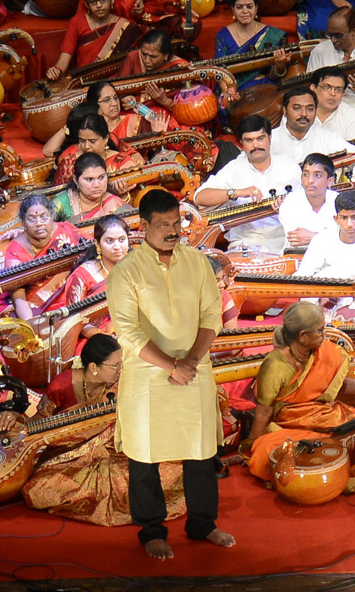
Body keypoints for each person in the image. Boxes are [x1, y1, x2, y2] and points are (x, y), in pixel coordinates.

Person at [106, 189, 233, 559]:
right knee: (144, 455)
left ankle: (202, 524)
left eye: (177, 222)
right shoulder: (127, 271)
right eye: (163, 225)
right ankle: (151, 530)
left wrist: (190, 361)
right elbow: (128, 332)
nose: (173, 230)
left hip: (194, 372)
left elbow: (212, 316)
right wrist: (171, 366)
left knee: (201, 452)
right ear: (143, 226)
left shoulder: (197, 262)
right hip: (149, 377)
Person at [20, 334, 181, 525]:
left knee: (166, 471)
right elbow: (40, 423)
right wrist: (15, 418)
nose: (121, 370)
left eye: (122, 363)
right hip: (70, 456)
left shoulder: (119, 382)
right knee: (39, 488)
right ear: (94, 367)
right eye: (115, 366)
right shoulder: (61, 386)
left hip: (115, 448)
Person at [243, 301, 355, 493]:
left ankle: (341, 475)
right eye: (320, 331)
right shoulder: (275, 365)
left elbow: (337, 386)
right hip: (291, 425)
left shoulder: (326, 354)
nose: (325, 335)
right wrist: (251, 442)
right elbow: (264, 411)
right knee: (268, 450)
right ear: (303, 336)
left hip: (329, 417)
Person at [194, 115, 301, 253]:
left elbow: (306, 205)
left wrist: (288, 206)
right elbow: (200, 197)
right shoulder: (233, 169)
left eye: (260, 138)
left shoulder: (289, 167)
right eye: (249, 140)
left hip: (285, 241)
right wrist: (235, 192)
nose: (255, 145)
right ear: (241, 143)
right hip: (245, 244)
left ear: (270, 138)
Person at [296, 189, 355, 324]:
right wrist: (320, 296)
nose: (349, 224)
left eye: (354, 217)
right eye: (344, 218)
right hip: (328, 307)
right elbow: (301, 280)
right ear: (336, 219)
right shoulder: (321, 239)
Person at [4, 194, 86, 322]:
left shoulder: (66, 229)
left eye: (44, 217)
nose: (39, 224)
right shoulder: (15, 250)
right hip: (40, 308)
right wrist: (31, 323)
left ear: (52, 216)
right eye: (32, 219)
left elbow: (92, 252)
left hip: (77, 295)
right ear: (23, 221)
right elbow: (17, 295)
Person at [46, 0, 140, 81]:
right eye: (93, 1)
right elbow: (63, 61)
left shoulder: (125, 26)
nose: (99, 5)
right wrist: (56, 70)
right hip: (84, 82)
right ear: (87, 4)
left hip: (114, 83)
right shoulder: (77, 22)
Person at [50, 214, 131, 317]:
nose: (117, 247)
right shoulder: (83, 275)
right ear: (97, 244)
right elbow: (74, 318)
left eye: (122, 239)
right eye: (109, 241)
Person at [214, 0, 290, 91]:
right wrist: (228, 92)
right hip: (234, 88)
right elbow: (219, 70)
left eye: (249, 6)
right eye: (239, 7)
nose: (245, 11)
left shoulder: (271, 34)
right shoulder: (223, 35)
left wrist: (280, 66)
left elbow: (275, 76)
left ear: (256, 8)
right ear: (232, 9)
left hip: (263, 86)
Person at [270, 89, 355, 169]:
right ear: (285, 111)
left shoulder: (327, 138)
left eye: (310, 109)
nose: (304, 114)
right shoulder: (270, 139)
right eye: (297, 108)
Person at [53, 113, 143, 186]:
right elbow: (59, 197)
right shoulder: (70, 163)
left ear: (106, 139)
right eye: (82, 141)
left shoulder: (120, 162)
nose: (87, 146)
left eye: (92, 141)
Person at [278, 153, 339, 250]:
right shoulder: (291, 201)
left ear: (330, 181)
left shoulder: (339, 201)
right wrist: (328, 237)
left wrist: (312, 236)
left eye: (317, 175)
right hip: (297, 257)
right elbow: (296, 239)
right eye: (306, 174)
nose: (310, 180)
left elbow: (345, 239)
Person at [52, 152, 125, 223]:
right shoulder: (62, 201)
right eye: (89, 179)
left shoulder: (114, 204)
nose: (97, 185)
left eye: (101, 177)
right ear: (76, 180)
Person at [311, 66, 355, 141]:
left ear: (343, 93)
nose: (333, 93)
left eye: (338, 89)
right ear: (313, 88)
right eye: (327, 87)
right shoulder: (301, 114)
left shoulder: (352, 117)